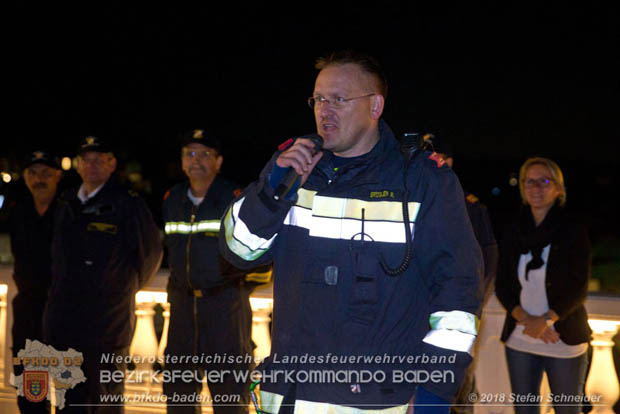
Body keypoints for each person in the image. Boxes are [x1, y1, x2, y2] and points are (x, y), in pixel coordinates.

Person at [219, 50, 483, 413]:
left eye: (339, 99)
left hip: (376, 401)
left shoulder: (422, 180)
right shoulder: (292, 167)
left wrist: (433, 392)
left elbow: (458, 296)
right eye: (318, 98)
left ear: (375, 106)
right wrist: (272, 191)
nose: (324, 110)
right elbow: (239, 251)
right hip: (288, 397)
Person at [43, 136, 163, 413]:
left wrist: (118, 287)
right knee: (68, 398)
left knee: (104, 398)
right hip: (66, 321)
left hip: (106, 323)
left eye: (100, 160)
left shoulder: (127, 203)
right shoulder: (66, 201)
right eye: (87, 160)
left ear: (112, 165)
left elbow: (150, 255)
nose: (92, 165)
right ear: (78, 165)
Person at [162, 129, 269, 414]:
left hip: (225, 309)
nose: (196, 160)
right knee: (179, 392)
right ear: (183, 161)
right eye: (189, 154)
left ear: (218, 162)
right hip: (183, 309)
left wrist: (237, 288)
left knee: (229, 395)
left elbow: (258, 252)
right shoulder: (172, 199)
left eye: (204, 154)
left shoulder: (234, 199)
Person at [495, 157, 591, 414]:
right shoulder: (514, 229)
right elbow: (502, 284)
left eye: (544, 181)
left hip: (563, 338)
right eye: (530, 181)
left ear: (558, 189)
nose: (536, 187)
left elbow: (578, 287)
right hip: (521, 337)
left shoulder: (573, 229)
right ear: (523, 188)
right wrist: (529, 321)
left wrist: (546, 321)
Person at [427, 137, 498, 414]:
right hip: (417, 312)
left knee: (459, 381)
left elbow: (490, 259)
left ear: (450, 162)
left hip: (459, 313)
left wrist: (476, 301)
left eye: (440, 156)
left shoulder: (471, 207)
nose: (434, 161)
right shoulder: (410, 200)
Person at [1, 151, 62, 414]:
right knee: (30, 391)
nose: (39, 180)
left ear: (57, 176)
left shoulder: (70, 210)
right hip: (27, 312)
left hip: (63, 312)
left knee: (68, 391)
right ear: (25, 178)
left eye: (45, 174)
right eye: (33, 174)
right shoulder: (17, 211)